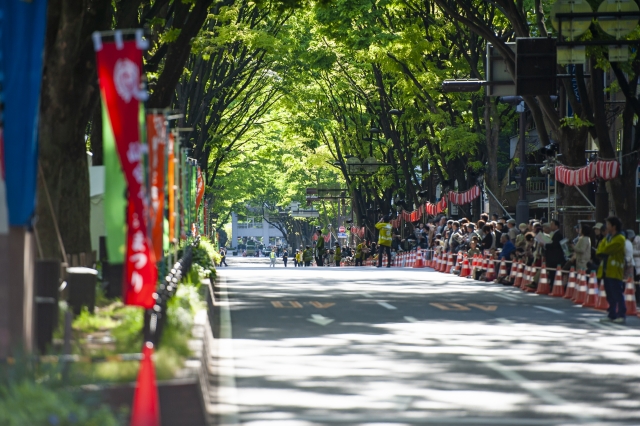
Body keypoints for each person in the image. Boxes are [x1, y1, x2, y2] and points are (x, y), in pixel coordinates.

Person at [596, 216, 626, 324]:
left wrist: (602, 250)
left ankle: (621, 314)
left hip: (615, 269)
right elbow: (600, 248)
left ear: (614, 226)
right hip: (606, 269)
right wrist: (602, 250)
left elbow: (606, 249)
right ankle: (612, 314)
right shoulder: (607, 237)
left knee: (617, 293)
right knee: (609, 293)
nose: (607, 227)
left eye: (608, 224)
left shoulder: (620, 238)